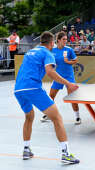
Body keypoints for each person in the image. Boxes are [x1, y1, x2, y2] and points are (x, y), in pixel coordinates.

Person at [14, 31, 80, 164]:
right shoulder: (47, 53)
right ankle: (65, 154)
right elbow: (50, 72)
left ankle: (26, 149)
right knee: (57, 117)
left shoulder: (30, 52)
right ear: (51, 43)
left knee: (29, 116)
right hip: (33, 87)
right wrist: (68, 84)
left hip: (18, 88)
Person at [40, 31, 81, 125]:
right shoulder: (52, 50)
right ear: (58, 40)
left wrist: (68, 61)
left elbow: (75, 60)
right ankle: (48, 115)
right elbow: (50, 62)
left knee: (72, 98)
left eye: (66, 39)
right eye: (64, 39)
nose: (66, 41)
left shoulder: (69, 50)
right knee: (51, 97)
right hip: (58, 77)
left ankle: (78, 117)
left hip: (69, 77)